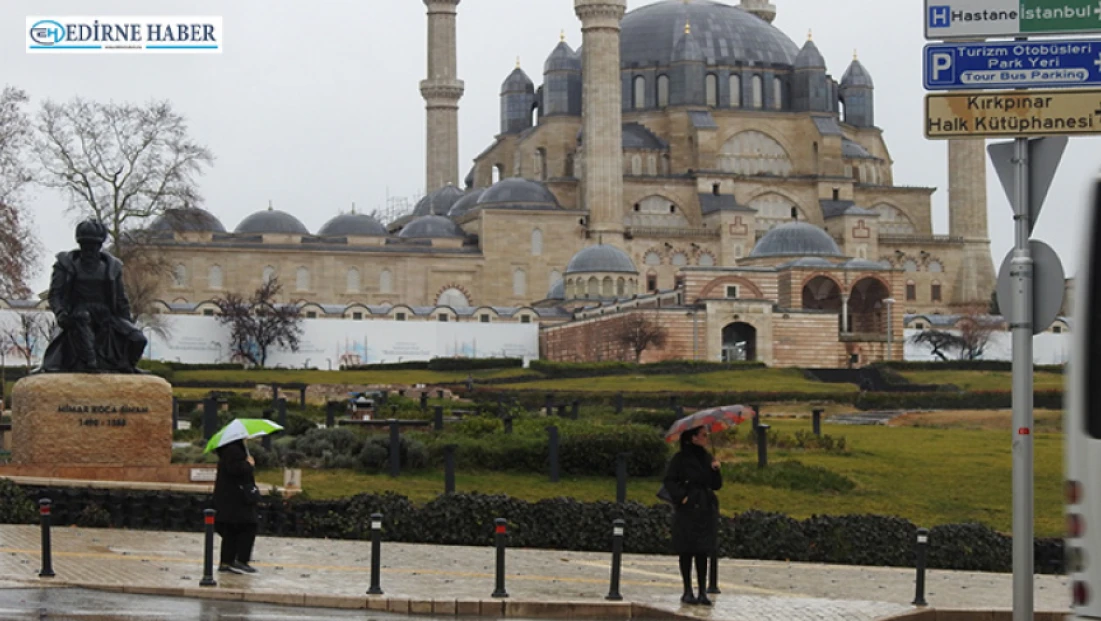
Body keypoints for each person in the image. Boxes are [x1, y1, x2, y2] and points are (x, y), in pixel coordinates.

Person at [40, 219, 147, 373]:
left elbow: (121, 300)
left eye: (93, 245)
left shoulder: (112, 268)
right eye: (85, 245)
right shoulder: (65, 265)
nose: (89, 250)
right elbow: (55, 295)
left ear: (99, 246)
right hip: (79, 313)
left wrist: (127, 325)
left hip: (106, 315)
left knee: (139, 339)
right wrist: (61, 313)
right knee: (84, 327)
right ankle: (91, 363)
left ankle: (125, 367)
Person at [662, 425, 722, 606]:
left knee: (703, 550)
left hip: (705, 507)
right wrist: (682, 497)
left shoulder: (707, 457)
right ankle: (687, 590)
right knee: (687, 549)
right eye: (703, 435)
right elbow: (669, 481)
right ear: (693, 438)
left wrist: (716, 470)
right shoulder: (680, 459)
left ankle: (702, 591)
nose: (706, 437)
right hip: (687, 509)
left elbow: (716, 485)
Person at [213, 438, 259, 574]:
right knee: (249, 527)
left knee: (231, 531)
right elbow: (236, 470)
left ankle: (227, 561)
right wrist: (249, 464)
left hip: (229, 500)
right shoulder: (234, 451)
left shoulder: (229, 450)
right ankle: (240, 560)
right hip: (237, 499)